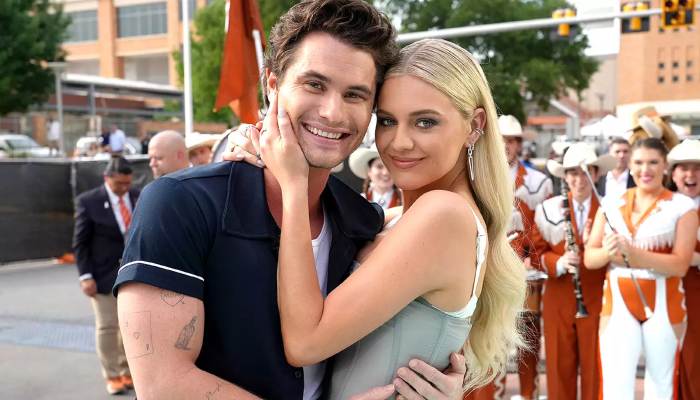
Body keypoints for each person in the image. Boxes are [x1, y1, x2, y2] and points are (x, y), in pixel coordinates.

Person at [113, 1, 467, 398]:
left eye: (354, 95)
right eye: (314, 84)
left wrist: (442, 384)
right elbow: (162, 384)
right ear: (272, 86)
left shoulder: (364, 222)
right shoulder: (179, 204)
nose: (332, 112)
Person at [254, 37, 525, 398]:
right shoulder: (394, 218)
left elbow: (305, 343)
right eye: (387, 121)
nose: (399, 142)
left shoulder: (444, 215)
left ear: (474, 125)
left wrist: (292, 185)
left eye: (425, 122)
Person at [584, 138, 698, 400]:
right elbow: (590, 258)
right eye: (638, 162)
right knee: (615, 385)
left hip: (666, 301)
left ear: (665, 166)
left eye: (653, 162)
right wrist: (608, 252)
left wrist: (634, 255)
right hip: (617, 301)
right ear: (629, 165)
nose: (645, 170)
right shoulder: (611, 203)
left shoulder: (682, 207)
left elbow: (680, 265)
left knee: (661, 385)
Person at [467, 115, 551, 400]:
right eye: (502, 139)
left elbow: (541, 230)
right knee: (488, 338)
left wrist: (531, 260)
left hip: (524, 270)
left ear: (519, 144)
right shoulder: (474, 175)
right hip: (486, 270)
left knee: (528, 337)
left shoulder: (538, 182)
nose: (506, 145)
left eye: (513, 140)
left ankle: (528, 394)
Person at [531, 143, 615, 400]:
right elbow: (535, 254)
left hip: (597, 296)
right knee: (559, 367)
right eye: (573, 173)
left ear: (596, 174)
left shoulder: (610, 209)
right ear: (565, 177)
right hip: (558, 297)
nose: (579, 180)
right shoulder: (547, 209)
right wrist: (559, 262)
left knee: (595, 366)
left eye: (586, 172)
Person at [72, 156, 139, 395]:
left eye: (128, 183)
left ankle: (128, 371)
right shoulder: (88, 202)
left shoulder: (138, 196)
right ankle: (112, 375)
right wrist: (85, 276)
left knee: (130, 325)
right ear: (106, 178)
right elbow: (80, 243)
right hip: (102, 275)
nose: (124, 188)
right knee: (108, 326)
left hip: (133, 274)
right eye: (119, 183)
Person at [667, 139, 700, 400]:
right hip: (665, 293)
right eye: (684, 168)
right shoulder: (662, 205)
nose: (691, 175)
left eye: (697, 168)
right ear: (673, 174)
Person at [349, 144, 401, 209]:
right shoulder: (358, 202)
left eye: (389, 167)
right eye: (379, 167)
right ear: (369, 171)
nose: (385, 173)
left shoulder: (406, 202)